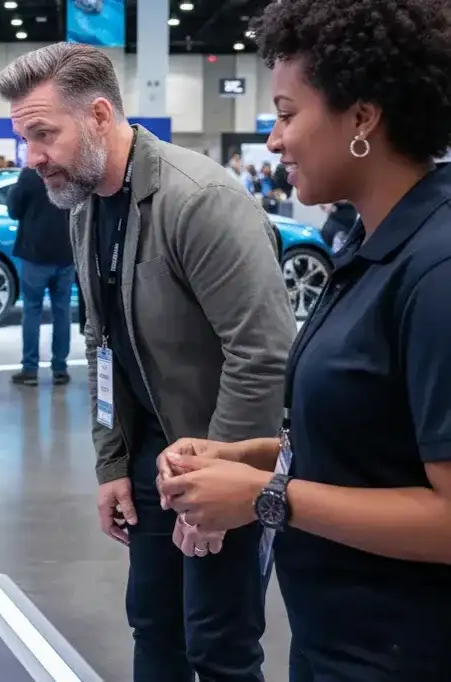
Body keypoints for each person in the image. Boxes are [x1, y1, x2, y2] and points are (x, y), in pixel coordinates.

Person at [156, 1, 451, 679]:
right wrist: (247, 457)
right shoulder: (370, 247)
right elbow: (369, 446)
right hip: (339, 641)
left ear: (360, 118)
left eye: (287, 114)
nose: (274, 141)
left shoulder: (434, 272)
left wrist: (265, 499)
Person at [0, 42, 295, 681]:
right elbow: (101, 341)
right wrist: (112, 464)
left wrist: (217, 486)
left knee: (219, 644)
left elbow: (263, 352)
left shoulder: (200, 202)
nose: (32, 158)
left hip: (224, 455)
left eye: (43, 135)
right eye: (25, 139)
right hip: (149, 461)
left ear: (99, 115)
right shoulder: (85, 207)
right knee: (153, 626)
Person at [6, 165, 73, 385]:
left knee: (32, 311)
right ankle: (60, 368)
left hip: (34, 255)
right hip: (66, 254)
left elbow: (14, 210)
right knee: (62, 312)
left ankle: (30, 369)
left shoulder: (29, 174)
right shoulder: (70, 170)